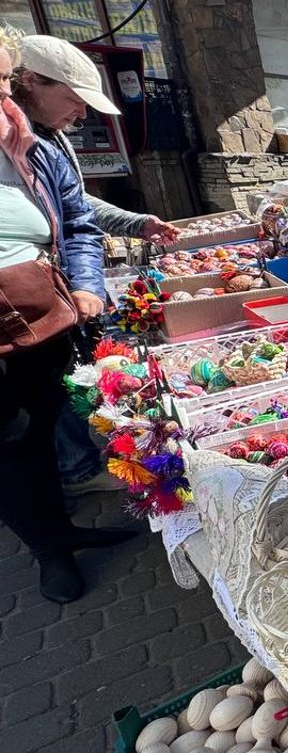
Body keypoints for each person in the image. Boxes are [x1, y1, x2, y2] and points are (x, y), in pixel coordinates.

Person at [0, 28, 135, 604]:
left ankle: (63, 527)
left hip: (40, 309)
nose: (4, 94)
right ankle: (49, 551)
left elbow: (78, 220)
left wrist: (85, 285)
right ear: (36, 82)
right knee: (10, 444)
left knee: (42, 425)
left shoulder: (32, 141)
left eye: (3, 81)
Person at [13, 34, 179, 501]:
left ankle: (77, 465)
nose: (82, 112)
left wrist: (136, 223)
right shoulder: (20, 137)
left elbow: (76, 208)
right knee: (51, 386)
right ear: (31, 82)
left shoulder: (48, 136)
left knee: (63, 377)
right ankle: (76, 470)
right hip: (28, 291)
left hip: (56, 284)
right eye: (74, 99)